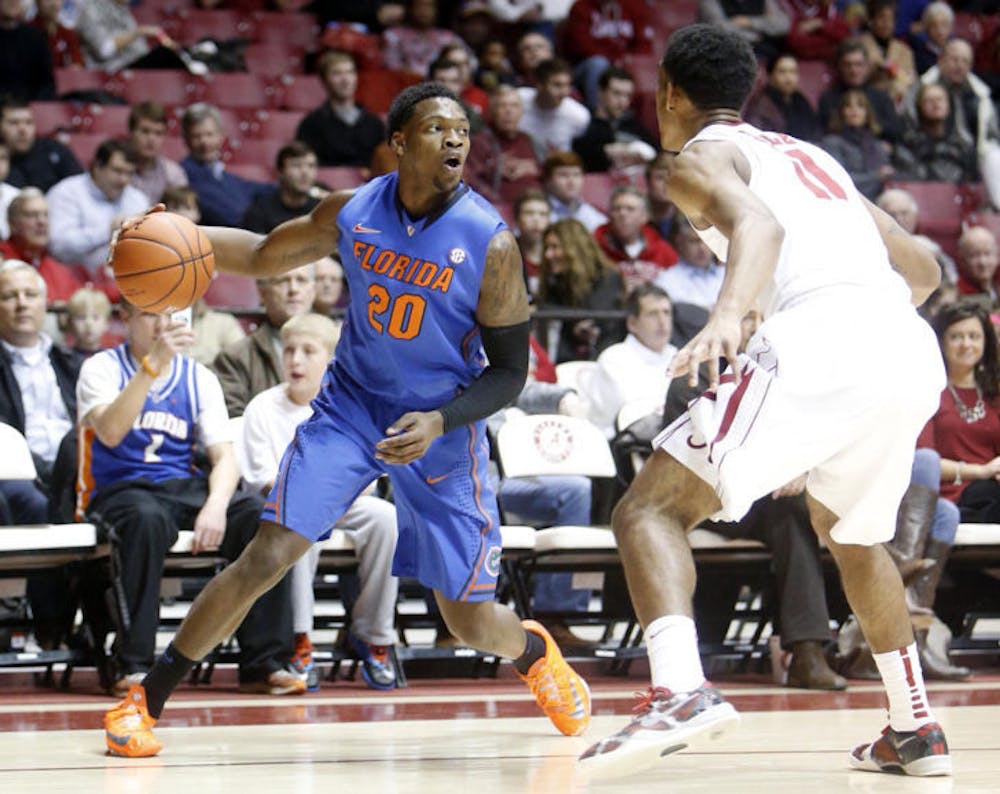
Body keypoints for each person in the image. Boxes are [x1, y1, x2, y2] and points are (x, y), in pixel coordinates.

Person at [104, 81, 590, 758]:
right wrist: (168, 238)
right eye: (435, 128)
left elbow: (510, 373)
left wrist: (442, 420)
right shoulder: (354, 209)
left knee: (468, 617)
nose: (454, 139)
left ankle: (532, 651)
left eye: (462, 131)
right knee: (266, 554)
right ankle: (143, 701)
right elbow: (265, 252)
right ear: (397, 142)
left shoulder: (491, 243)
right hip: (353, 409)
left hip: (440, 430)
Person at [578, 24, 951, 779]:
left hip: (823, 336)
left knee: (646, 511)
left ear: (671, 94)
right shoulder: (814, 158)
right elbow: (925, 274)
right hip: (906, 344)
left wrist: (730, 312)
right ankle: (915, 729)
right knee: (851, 537)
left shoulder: (695, 159)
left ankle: (680, 690)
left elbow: (760, 225)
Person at [77, 299, 303, 698]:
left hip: (180, 487)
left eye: (170, 315)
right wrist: (152, 367)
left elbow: (224, 457)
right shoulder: (101, 368)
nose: (162, 325)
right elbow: (110, 432)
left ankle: (264, 661)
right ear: (125, 319)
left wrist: (216, 506)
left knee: (257, 515)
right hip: (118, 490)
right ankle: (133, 664)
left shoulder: (198, 376)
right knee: (145, 520)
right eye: (149, 315)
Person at [661, 306, 848, 691]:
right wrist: (778, 471)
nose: (756, 327)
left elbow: (811, 441)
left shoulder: (779, 379)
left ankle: (825, 641)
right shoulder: (693, 377)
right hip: (704, 500)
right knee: (793, 508)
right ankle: (817, 644)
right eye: (746, 318)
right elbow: (697, 465)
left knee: (818, 499)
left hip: (767, 499)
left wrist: (802, 467)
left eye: (760, 318)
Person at [242, 312, 400, 691]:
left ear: (330, 360)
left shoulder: (351, 406)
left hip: (346, 503)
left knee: (387, 519)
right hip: (286, 506)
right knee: (298, 526)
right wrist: (311, 498)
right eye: (290, 350)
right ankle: (300, 639)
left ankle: (372, 635)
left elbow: (367, 476)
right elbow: (260, 479)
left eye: (307, 351)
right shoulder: (262, 407)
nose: (295, 360)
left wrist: (329, 496)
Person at [0, 260, 82, 648]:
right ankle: (52, 629)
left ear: (45, 303)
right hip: (14, 477)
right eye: (9, 296)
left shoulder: (71, 362)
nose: (21, 304)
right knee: (36, 504)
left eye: (30, 295)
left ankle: (101, 628)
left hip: (71, 472)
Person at [212, 263, 316, 417]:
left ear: (313, 291)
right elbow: (235, 424)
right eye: (283, 281)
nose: (293, 289)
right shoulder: (235, 358)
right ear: (261, 293)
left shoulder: (339, 350)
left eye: (301, 280)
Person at [159, 186, 246, 367]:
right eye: (176, 207)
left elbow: (241, 372)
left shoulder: (223, 325)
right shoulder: (150, 326)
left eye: (188, 207)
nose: (182, 214)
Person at [46, 139, 149, 281]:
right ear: (97, 166)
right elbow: (59, 248)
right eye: (117, 171)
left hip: (127, 285)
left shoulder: (137, 199)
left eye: (129, 173)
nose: (123, 180)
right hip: (74, 284)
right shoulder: (66, 193)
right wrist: (108, 230)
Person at [585, 283, 677, 438]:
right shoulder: (614, 358)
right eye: (653, 314)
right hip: (625, 445)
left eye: (666, 313)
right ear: (632, 323)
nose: (662, 321)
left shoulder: (678, 355)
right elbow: (630, 415)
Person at [536, 217, 624, 362]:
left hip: (604, 357)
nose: (548, 255)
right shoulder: (555, 281)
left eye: (555, 247)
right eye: (546, 248)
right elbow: (545, 310)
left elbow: (592, 319)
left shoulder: (608, 277)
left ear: (574, 248)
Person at [294, 49, 386, 170]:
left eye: (350, 72)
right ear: (324, 80)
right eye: (337, 74)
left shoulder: (374, 123)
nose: (345, 80)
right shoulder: (311, 124)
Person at [180, 103, 265, 228]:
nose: (204, 142)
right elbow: (231, 215)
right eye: (196, 136)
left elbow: (258, 189)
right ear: (186, 140)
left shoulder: (224, 175)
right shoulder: (183, 174)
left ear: (220, 137)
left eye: (209, 134)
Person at [0, 187, 83, 306]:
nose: (42, 222)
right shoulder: (2, 261)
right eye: (31, 215)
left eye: (46, 215)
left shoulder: (57, 270)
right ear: (12, 223)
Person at [465, 84, 542, 204]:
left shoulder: (532, 141)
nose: (509, 111)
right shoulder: (479, 143)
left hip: (538, 210)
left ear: (522, 111)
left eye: (514, 106)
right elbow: (471, 182)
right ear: (492, 111)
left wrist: (534, 168)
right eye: (502, 106)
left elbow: (549, 174)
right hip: (496, 211)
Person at [572, 66, 658, 174]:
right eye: (616, 93)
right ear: (600, 92)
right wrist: (605, 152)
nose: (622, 101)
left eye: (627, 95)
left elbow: (657, 156)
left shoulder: (632, 124)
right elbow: (576, 156)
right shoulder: (585, 121)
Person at [818, 38, 903, 144]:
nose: (854, 70)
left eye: (858, 64)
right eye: (847, 65)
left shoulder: (881, 97)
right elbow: (826, 132)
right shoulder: (828, 99)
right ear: (839, 67)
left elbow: (896, 131)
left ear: (867, 66)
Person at [594, 185, 679, 291]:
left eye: (630, 209)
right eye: (617, 209)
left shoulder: (662, 250)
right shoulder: (594, 248)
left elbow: (678, 288)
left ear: (644, 216)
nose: (623, 214)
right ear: (609, 214)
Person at [892, 82, 978, 184]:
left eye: (940, 99)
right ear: (919, 106)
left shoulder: (963, 144)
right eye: (929, 100)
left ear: (949, 105)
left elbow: (973, 180)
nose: (936, 104)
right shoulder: (909, 143)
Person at [819, 88, 894, 199]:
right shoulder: (832, 143)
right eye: (848, 106)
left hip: (879, 201)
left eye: (860, 106)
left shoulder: (877, 146)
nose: (854, 110)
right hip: (847, 200)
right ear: (841, 112)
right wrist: (876, 176)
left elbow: (888, 177)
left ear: (867, 112)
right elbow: (838, 180)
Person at [1, 98, 82, 192]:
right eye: (14, 123)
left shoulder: (53, 149)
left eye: (28, 122)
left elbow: (79, 186)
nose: (23, 130)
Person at [241, 142, 322, 235]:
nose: (305, 172)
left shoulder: (321, 208)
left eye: (311, 166)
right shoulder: (260, 211)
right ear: (280, 172)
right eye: (296, 165)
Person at [517, 58, 591, 155]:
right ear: (540, 84)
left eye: (567, 85)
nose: (564, 92)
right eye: (557, 85)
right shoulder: (518, 99)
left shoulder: (578, 115)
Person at [743, 53, 822, 143]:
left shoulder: (800, 100)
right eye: (782, 72)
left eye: (793, 72)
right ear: (770, 75)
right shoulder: (760, 105)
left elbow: (815, 131)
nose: (789, 78)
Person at [654, 222, 726, 310]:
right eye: (694, 241)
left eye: (707, 241)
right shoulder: (666, 280)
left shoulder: (727, 274)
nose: (702, 248)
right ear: (680, 243)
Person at [127, 101, 188, 206]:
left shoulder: (173, 173)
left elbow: (183, 212)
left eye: (158, 133)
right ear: (131, 132)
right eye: (145, 131)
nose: (151, 139)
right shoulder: (117, 169)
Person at [857, 0, 916, 104]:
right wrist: (877, 66)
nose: (886, 23)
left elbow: (909, 78)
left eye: (890, 19)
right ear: (871, 20)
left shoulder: (904, 50)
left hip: (897, 102)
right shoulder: (858, 45)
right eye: (881, 18)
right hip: (866, 100)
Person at [697, 0, 790, 60]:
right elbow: (719, 28)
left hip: (764, 51)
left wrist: (749, 22)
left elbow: (783, 24)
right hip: (726, 51)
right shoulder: (710, 2)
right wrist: (756, 34)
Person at [0, 0, 55, 102]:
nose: (12, 2)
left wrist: (32, 108)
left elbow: (47, 83)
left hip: (31, 109)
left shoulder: (35, 37)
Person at [542, 150, 606, 232]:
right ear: (548, 180)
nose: (571, 182)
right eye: (564, 175)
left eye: (576, 175)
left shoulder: (593, 216)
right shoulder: (535, 212)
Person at [513, 187, 550, 295]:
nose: (536, 220)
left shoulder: (557, 255)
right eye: (529, 213)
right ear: (517, 218)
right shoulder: (507, 253)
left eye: (543, 214)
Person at [30, 0, 84, 69]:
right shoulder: (26, 33)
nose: (53, 4)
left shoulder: (68, 34)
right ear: (37, 3)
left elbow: (78, 64)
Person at [64, 287, 113, 355]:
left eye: (95, 317)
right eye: (81, 317)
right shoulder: (63, 359)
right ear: (69, 323)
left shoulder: (111, 359)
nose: (88, 323)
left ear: (106, 323)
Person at [954, 225, 997, 300]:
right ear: (962, 260)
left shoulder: (996, 287)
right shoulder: (956, 296)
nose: (983, 263)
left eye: (987, 253)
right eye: (975, 256)